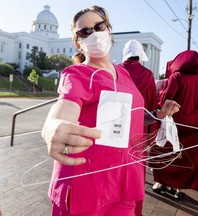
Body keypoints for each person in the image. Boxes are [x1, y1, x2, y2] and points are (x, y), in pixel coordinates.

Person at [41, 5, 180, 216]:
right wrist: (53, 126)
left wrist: (158, 115)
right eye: (85, 31)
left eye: (99, 26)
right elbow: (65, 105)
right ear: (77, 42)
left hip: (123, 178)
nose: (94, 34)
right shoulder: (77, 74)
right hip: (86, 182)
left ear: (109, 30)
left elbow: (129, 116)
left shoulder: (123, 74)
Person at [151, 50, 198, 199]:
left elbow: (165, 99)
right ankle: (179, 189)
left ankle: (161, 183)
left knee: (165, 152)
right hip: (197, 125)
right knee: (188, 156)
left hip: (177, 121)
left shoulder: (177, 77)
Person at [120, 39, 158, 215]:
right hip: (139, 127)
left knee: (116, 168)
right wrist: (151, 132)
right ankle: (134, 209)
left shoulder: (116, 70)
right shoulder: (148, 74)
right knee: (136, 169)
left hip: (118, 126)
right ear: (140, 54)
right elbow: (151, 105)